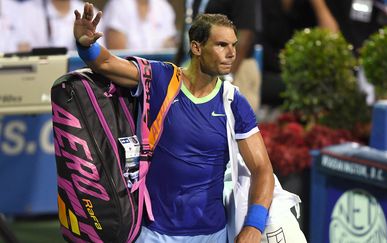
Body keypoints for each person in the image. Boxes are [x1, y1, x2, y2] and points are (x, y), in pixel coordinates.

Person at [73, 2, 274, 243]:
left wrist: (254, 225)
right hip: (154, 234)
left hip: (213, 235)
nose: (231, 53)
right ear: (197, 47)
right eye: (221, 45)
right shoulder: (161, 78)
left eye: (233, 45)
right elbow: (106, 64)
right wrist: (87, 46)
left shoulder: (234, 102)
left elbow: (263, 169)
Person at [103, 0, 177, 51]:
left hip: (159, 69)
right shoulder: (118, 5)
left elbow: (170, 45)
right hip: (128, 71)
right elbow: (117, 55)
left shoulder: (164, 6)